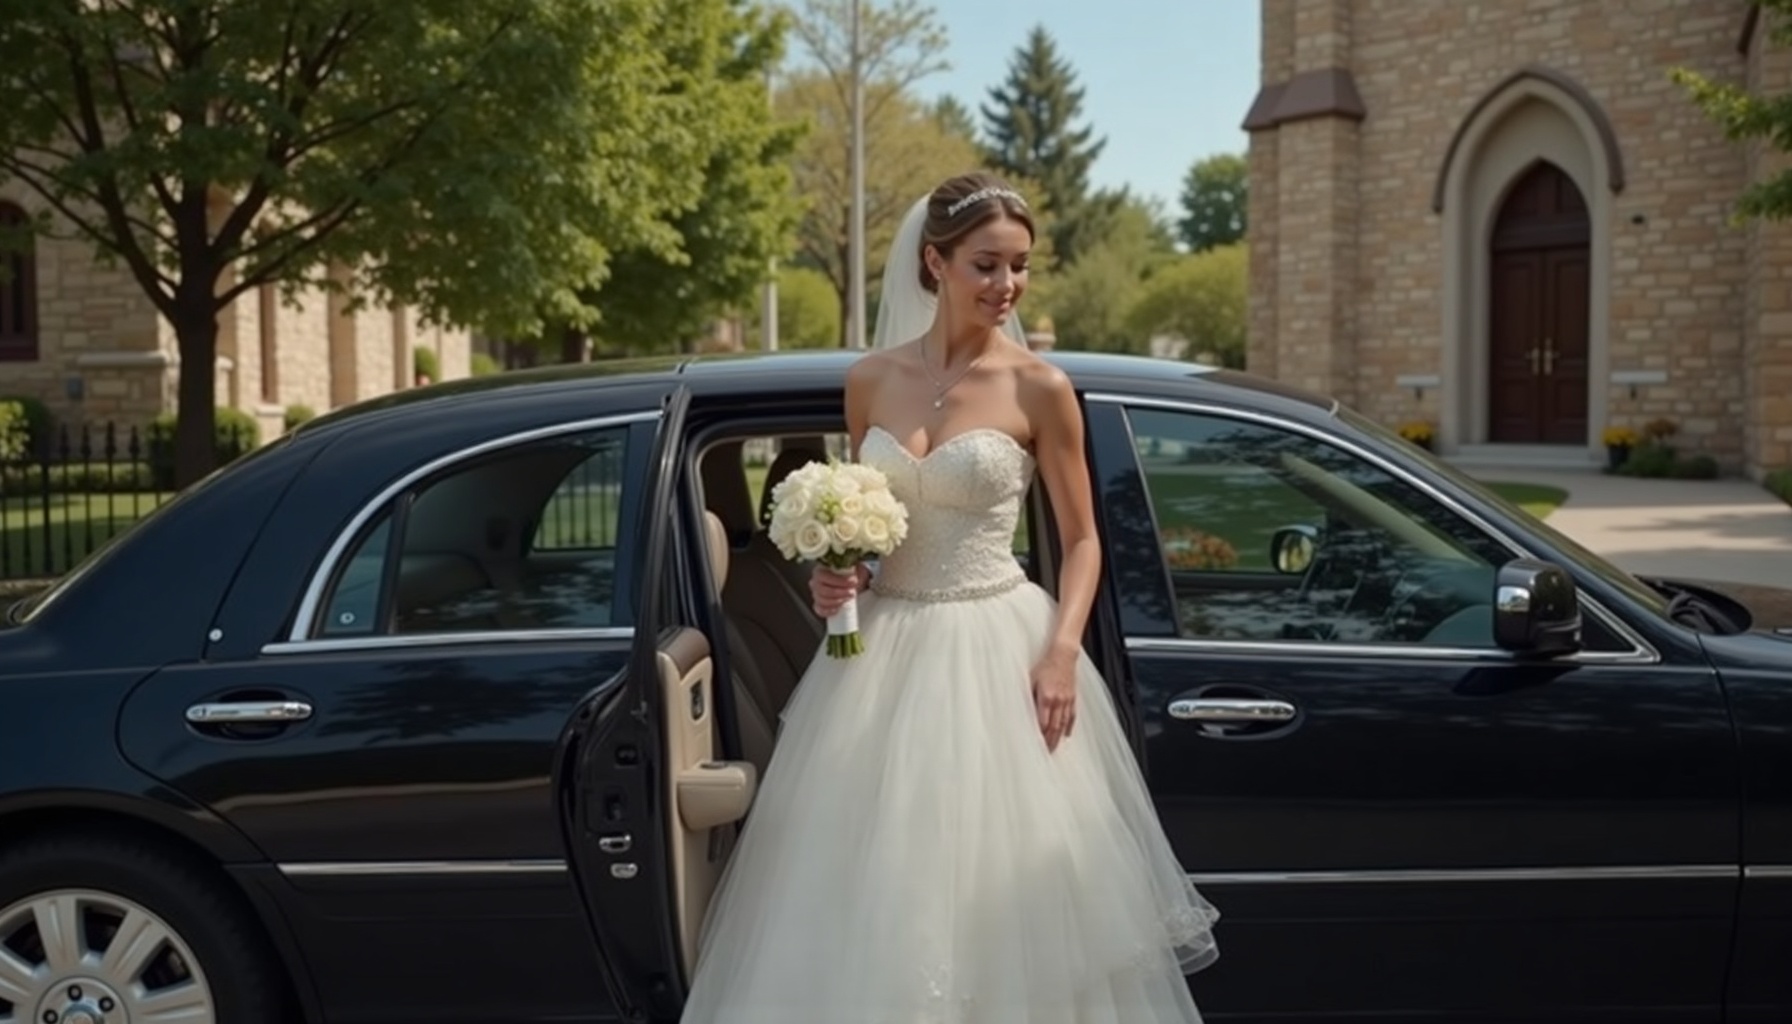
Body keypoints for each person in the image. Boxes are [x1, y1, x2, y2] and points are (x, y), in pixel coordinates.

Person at [678, 172, 1219, 1023]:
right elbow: (876, 522)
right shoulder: (870, 381)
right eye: (986, 264)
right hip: (882, 654)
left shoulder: (1039, 388)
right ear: (935, 263)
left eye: (1020, 266)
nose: (1007, 285)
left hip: (1002, 649)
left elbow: (1083, 540)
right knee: (877, 885)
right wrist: (843, 574)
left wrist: (1061, 654)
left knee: (1010, 892)